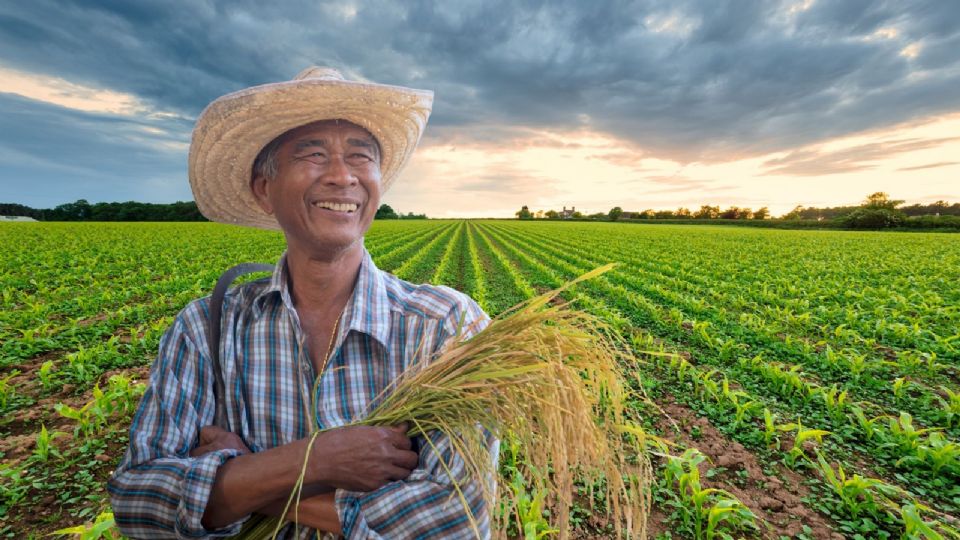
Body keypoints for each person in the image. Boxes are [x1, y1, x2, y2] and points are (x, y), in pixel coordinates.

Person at [108, 67, 494, 539]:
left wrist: (251, 477)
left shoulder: (444, 328)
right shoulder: (206, 328)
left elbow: (456, 521)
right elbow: (137, 502)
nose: (341, 176)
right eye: (313, 154)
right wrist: (320, 459)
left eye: (360, 156)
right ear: (264, 190)